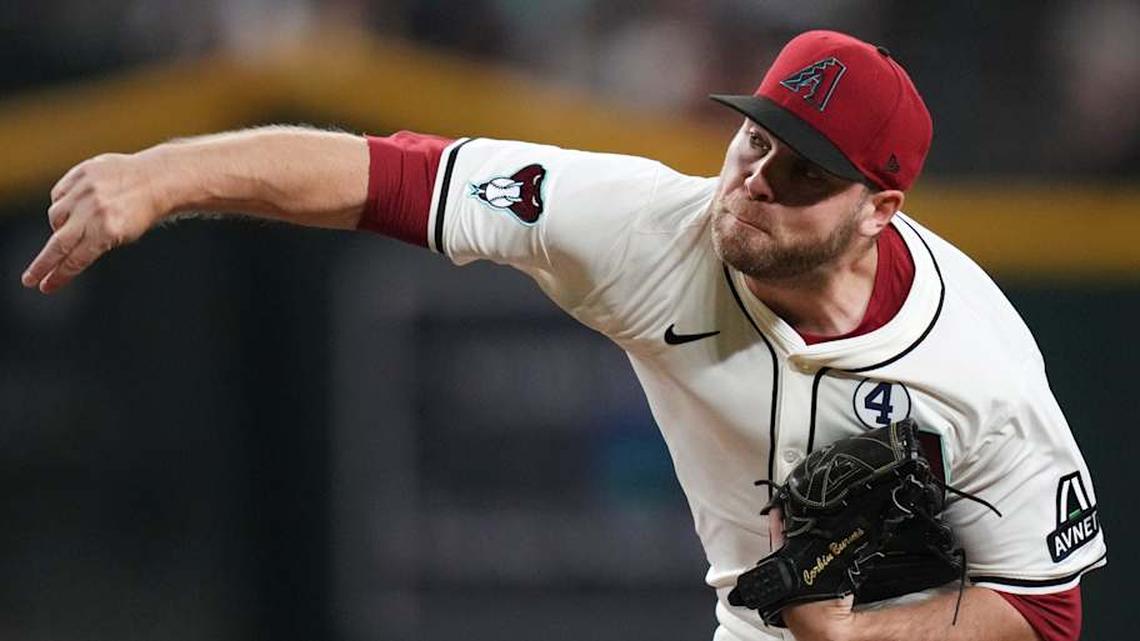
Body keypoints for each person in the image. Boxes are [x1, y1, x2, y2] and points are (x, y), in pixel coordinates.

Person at [21, 30, 1105, 641]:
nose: (755, 182)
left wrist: (863, 636)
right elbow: (391, 175)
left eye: (804, 173)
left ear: (879, 211)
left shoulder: (978, 370)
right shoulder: (647, 229)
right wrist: (162, 175)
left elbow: (1046, 608)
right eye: (755, 138)